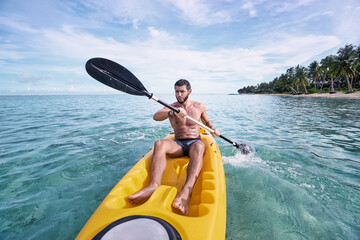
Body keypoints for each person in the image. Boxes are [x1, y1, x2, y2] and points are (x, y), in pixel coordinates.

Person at [127, 79, 220, 215]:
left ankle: (186, 192)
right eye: (177, 91)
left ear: (189, 91)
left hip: (194, 142)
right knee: (159, 144)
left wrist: (213, 129)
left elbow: (207, 121)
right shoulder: (171, 106)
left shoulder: (199, 106)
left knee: (199, 146)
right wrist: (172, 112)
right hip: (178, 144)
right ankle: (153, 185)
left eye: (182, 91)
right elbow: (156, 117)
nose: (179, 95)